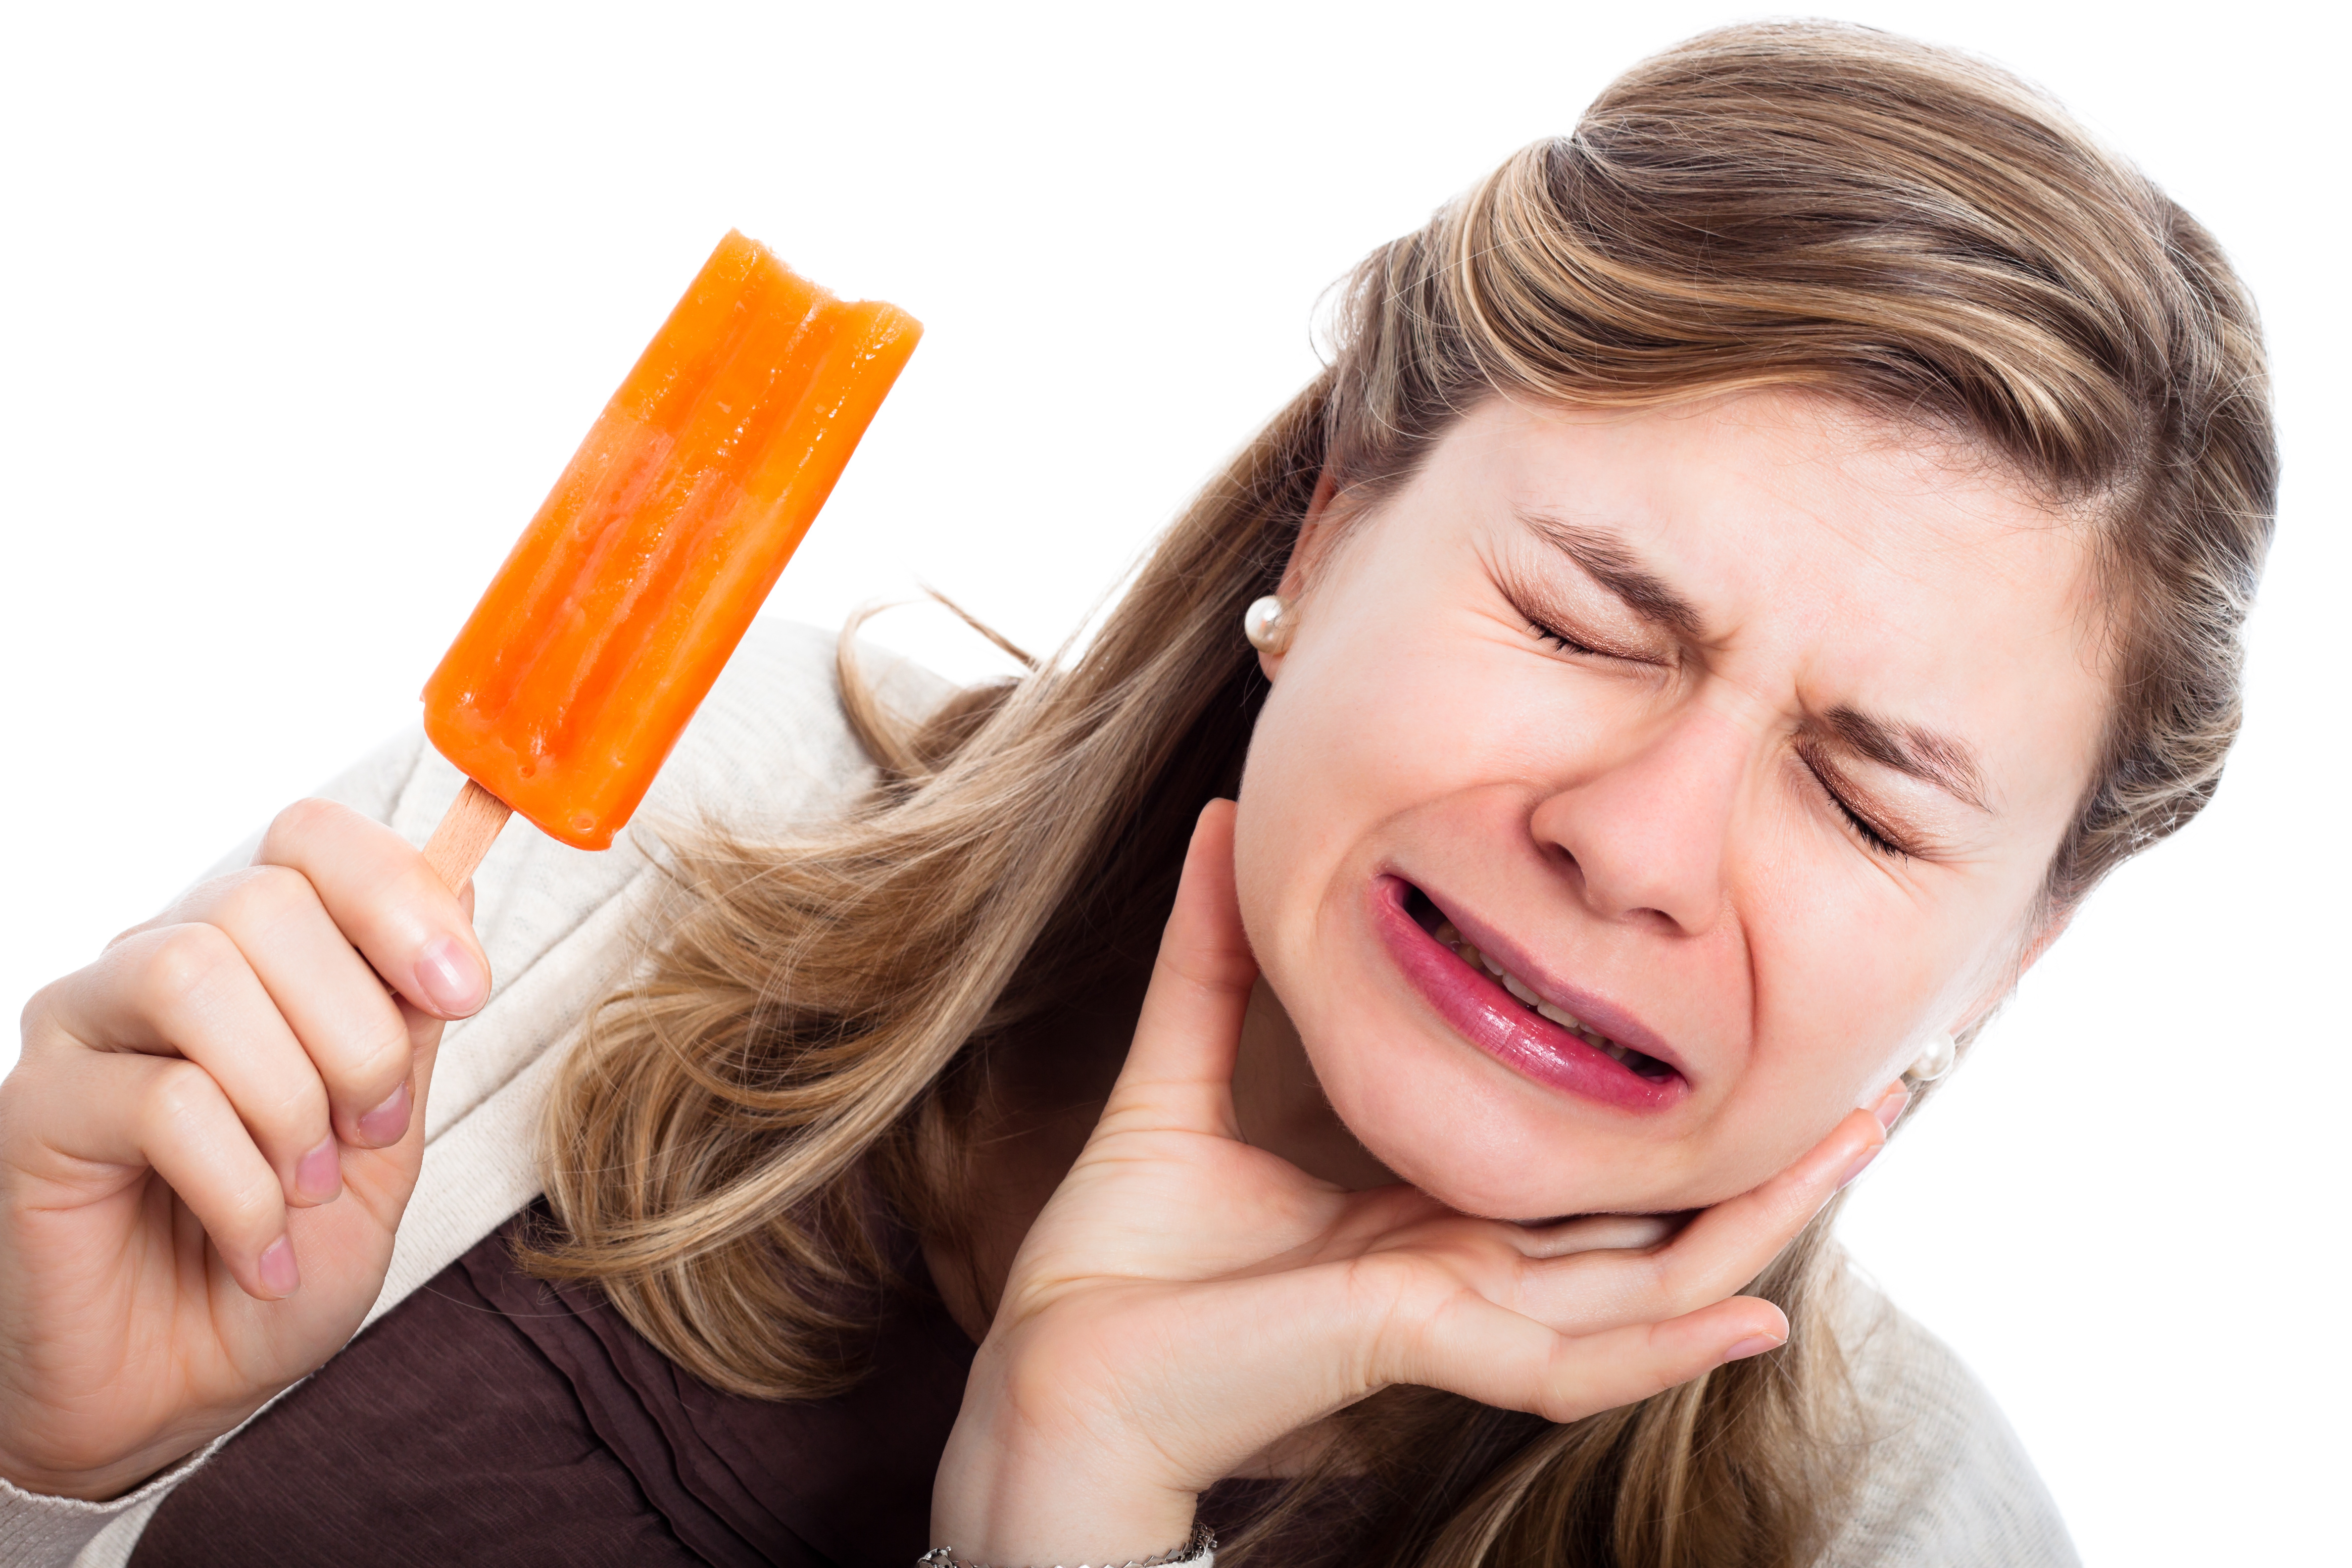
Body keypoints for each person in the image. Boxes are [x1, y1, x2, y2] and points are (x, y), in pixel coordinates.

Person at [0, 20, 2274, 1568]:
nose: (1640, 842)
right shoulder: (644, 826)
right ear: (1334, 521)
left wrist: (1059, 1504)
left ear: (2022, 942)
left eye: (1873, 806)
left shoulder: (1895, 1536)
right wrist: (38, 1454)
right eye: (1588, 619)